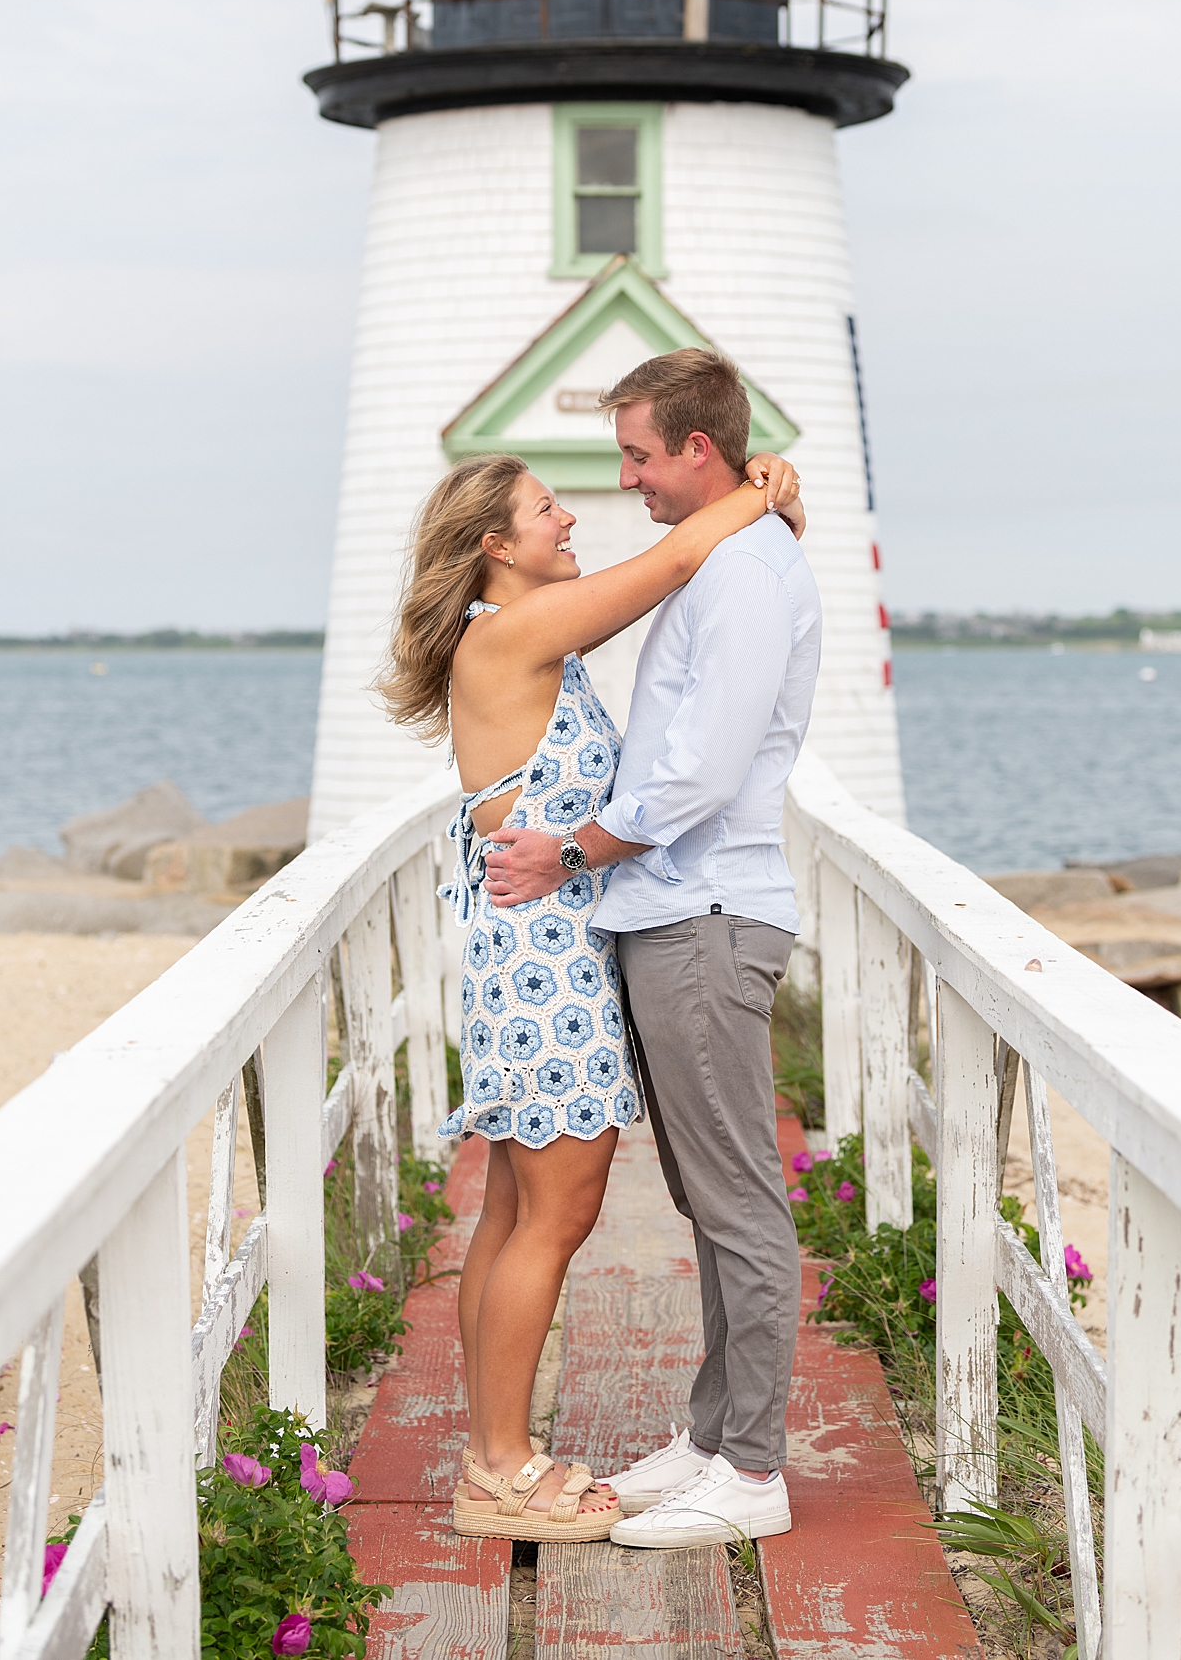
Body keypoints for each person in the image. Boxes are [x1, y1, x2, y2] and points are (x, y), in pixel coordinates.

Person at [376, 440, 802, 1542]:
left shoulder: (515, 645)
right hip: (545, 965)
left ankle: (488, 1457)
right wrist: (758, 493)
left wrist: (765, 504)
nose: (572, 520)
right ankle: (505, 1469)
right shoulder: (514, 631)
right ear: (493, 546)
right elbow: (666, 572)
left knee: (515, 1214)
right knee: (553, 1218)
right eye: (548, 509)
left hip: (528, 960)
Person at [485, 347, 822, 1550]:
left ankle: (754, 1471)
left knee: (737, 1201)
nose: (625, 478)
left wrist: (570, 850)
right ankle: (712, 1435)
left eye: (637, 454)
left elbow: (699, 770)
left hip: (706, 916)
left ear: (697, 446)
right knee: (704, 1191)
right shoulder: (729, 551)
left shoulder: (739, 572)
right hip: (677, 916)